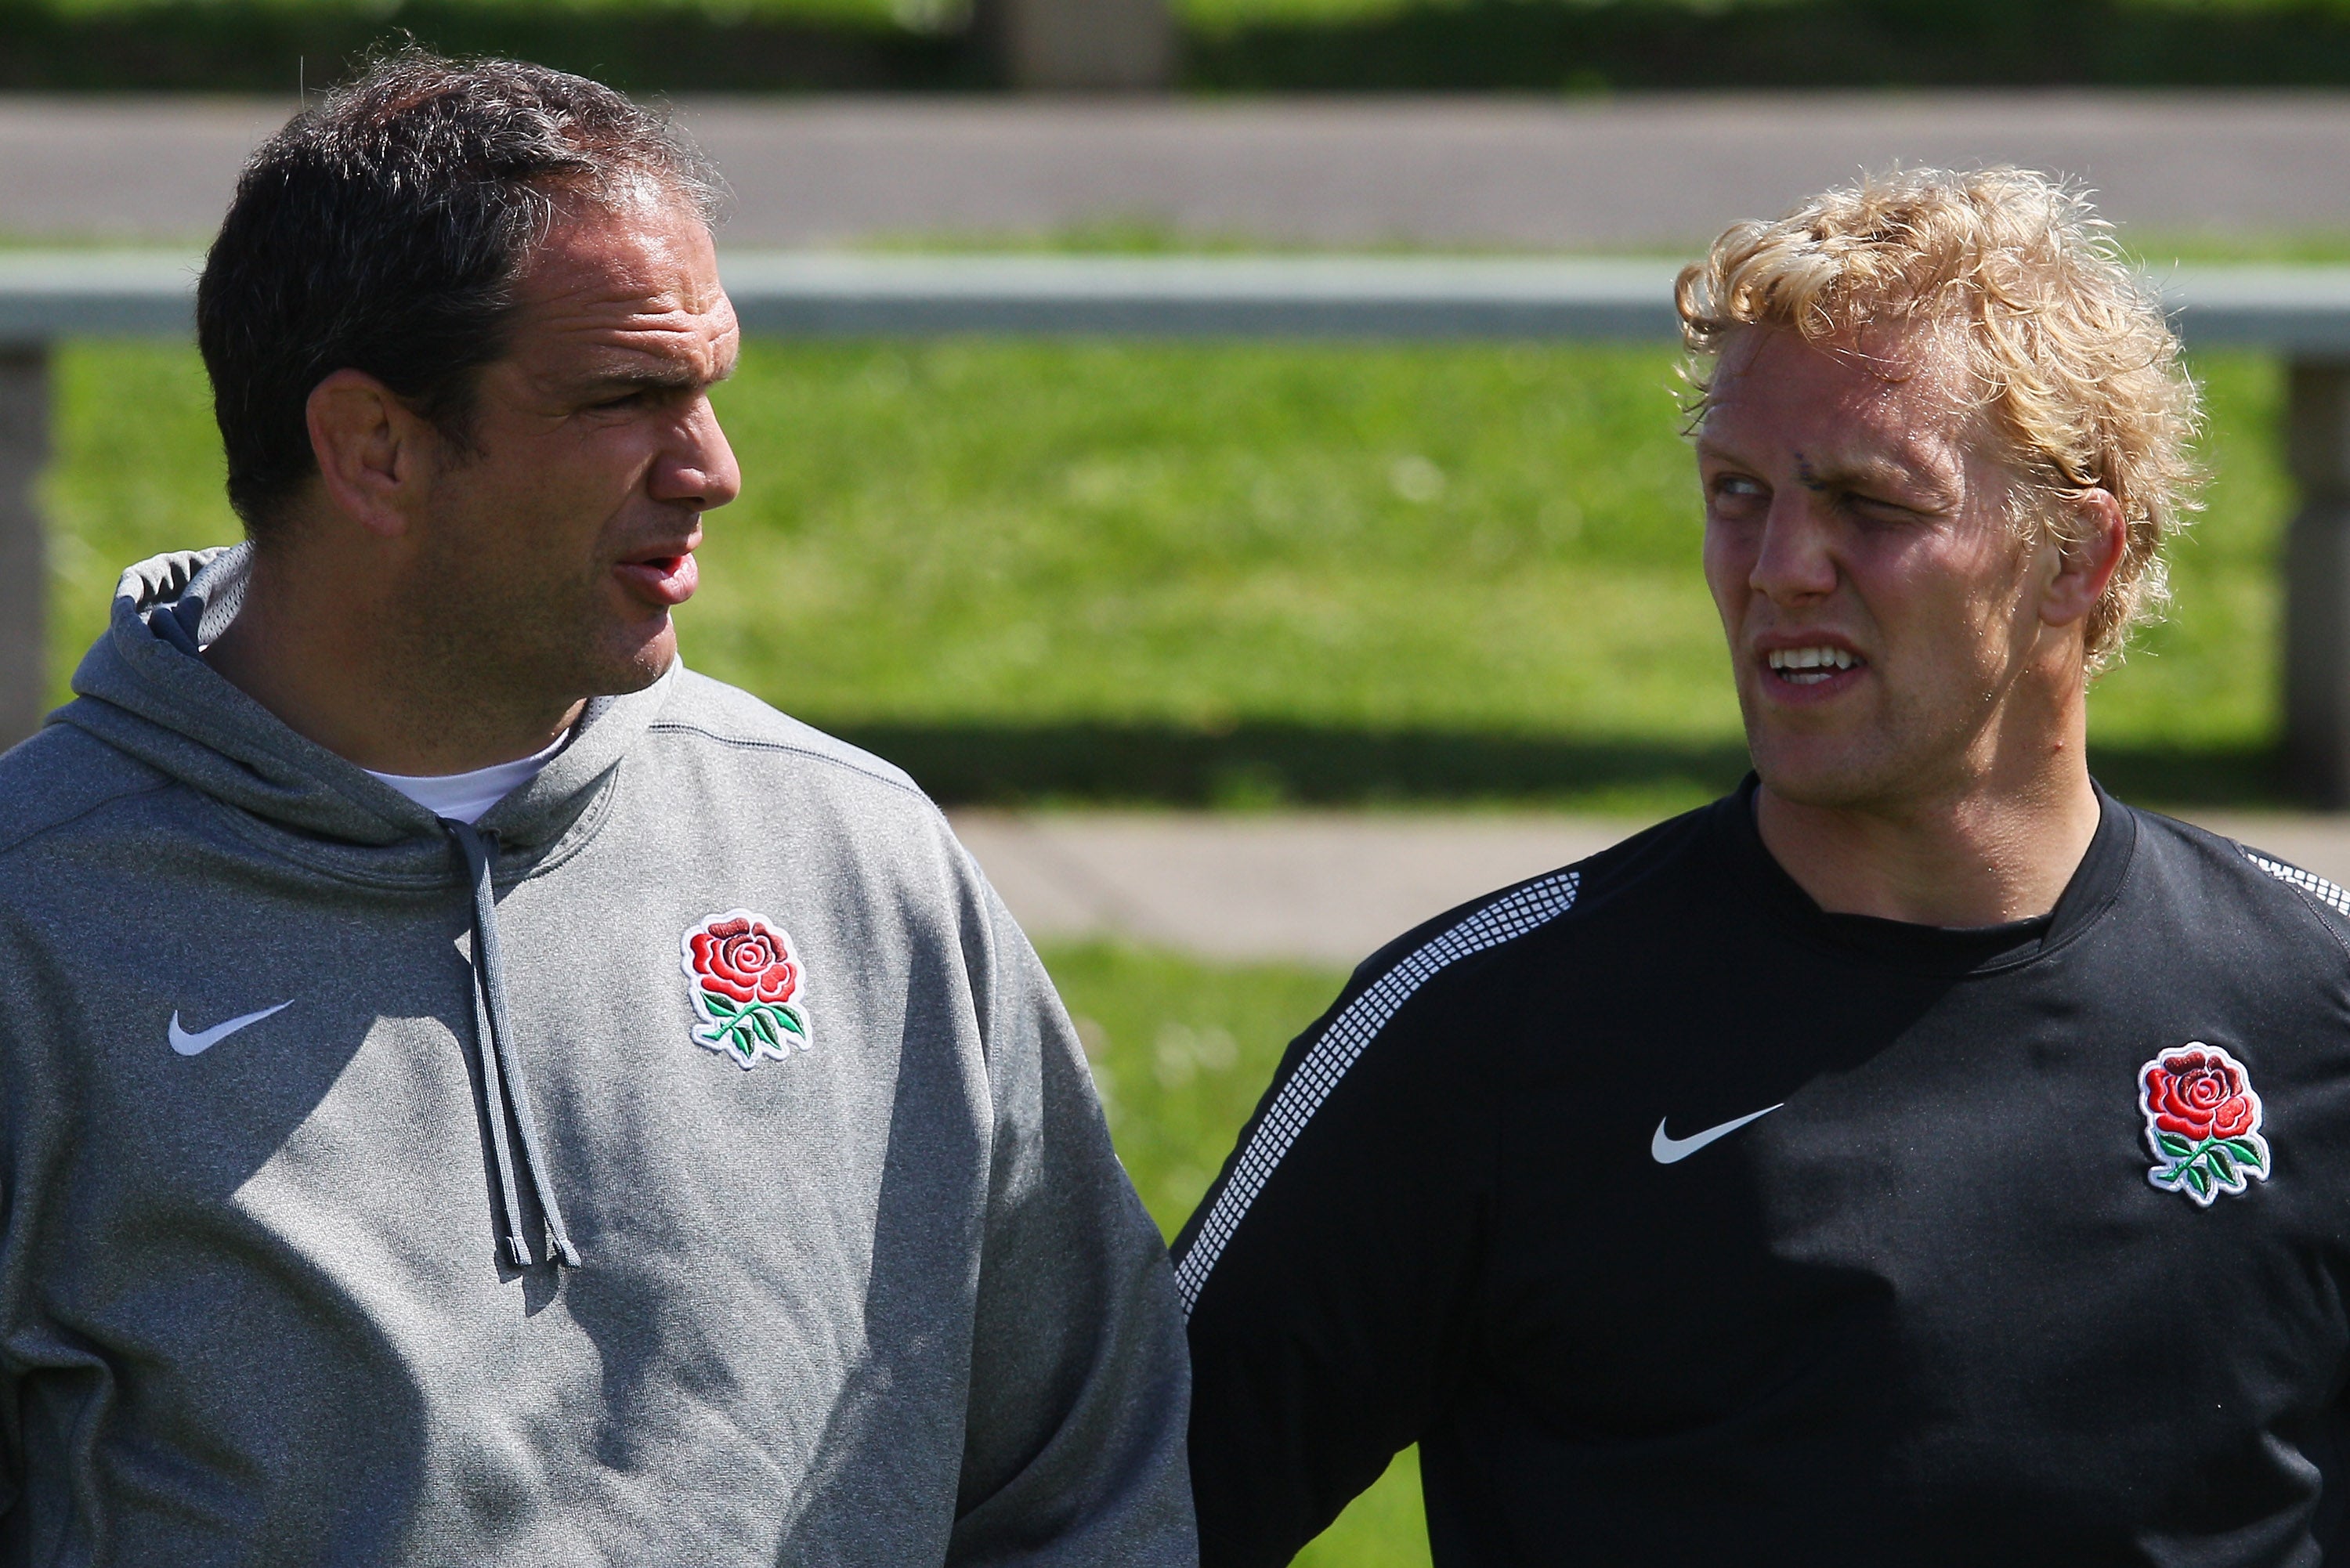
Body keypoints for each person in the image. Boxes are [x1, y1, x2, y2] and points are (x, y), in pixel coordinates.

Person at [0, 52, 1194, 1563]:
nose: (713, 471)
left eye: (707, 390)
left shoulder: (860, 863)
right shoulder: (39, 925)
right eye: (628, 397)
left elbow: (1087, 1478)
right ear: (374, 447)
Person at [1177, 165, 2350, 1566]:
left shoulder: (2316, 1008)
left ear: (2074, 556)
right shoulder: (1484, 1036)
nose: (1782, 564)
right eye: (1738, 492)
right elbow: (1107, 1512)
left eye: (1871, 501)